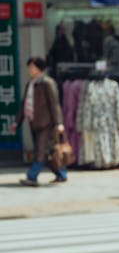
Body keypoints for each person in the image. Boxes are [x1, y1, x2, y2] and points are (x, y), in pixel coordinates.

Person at [19, 57, 67, 187]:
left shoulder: (47, 83)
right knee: (50, 151)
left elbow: (54, 104)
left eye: (32, 67)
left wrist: (59, 123)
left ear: (39, 68)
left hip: (47, 123)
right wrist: (17, 122)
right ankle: (61, 174)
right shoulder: (31, 84)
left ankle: (32, 176)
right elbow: (24, 103)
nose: (30, 70)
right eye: (29, 67)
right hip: (34, 122)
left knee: (40, 151)